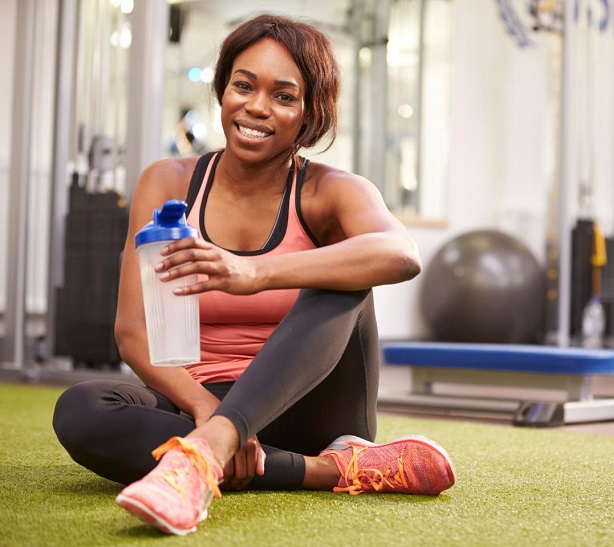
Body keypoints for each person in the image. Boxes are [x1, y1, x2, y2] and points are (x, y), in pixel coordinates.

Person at [52, 13, 455, 537]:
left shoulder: (330, 191)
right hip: (198, 402)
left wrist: (255, 272)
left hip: (307, 409)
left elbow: (400, 252)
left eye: (284, 96)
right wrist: (209, 413)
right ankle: (315, 470)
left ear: (311, 113)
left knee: (348, 272)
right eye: (243, 85)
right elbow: (132, 333)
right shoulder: (167, 182)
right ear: (223, 90)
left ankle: (205, 458)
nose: (257, 107)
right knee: (81, 408)